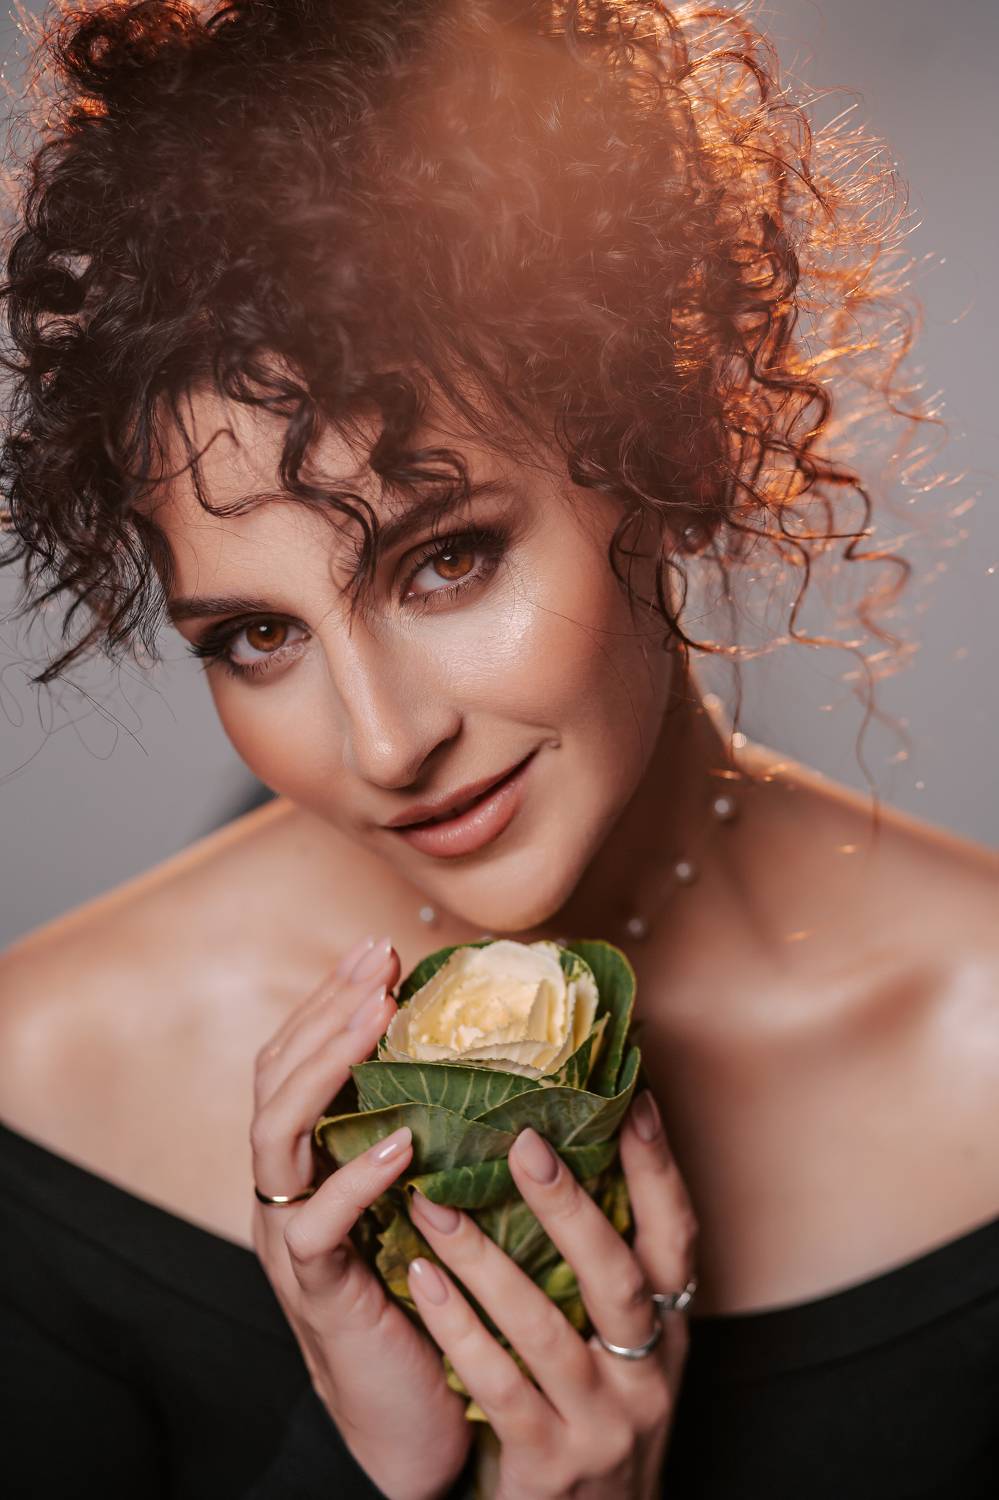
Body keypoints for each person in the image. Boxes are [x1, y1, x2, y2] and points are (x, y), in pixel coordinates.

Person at [1, 2, 996, 1497]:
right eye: (257, 636)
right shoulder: (49, 1069)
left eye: (446, 561)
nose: (384, 742)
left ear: (671, 450)